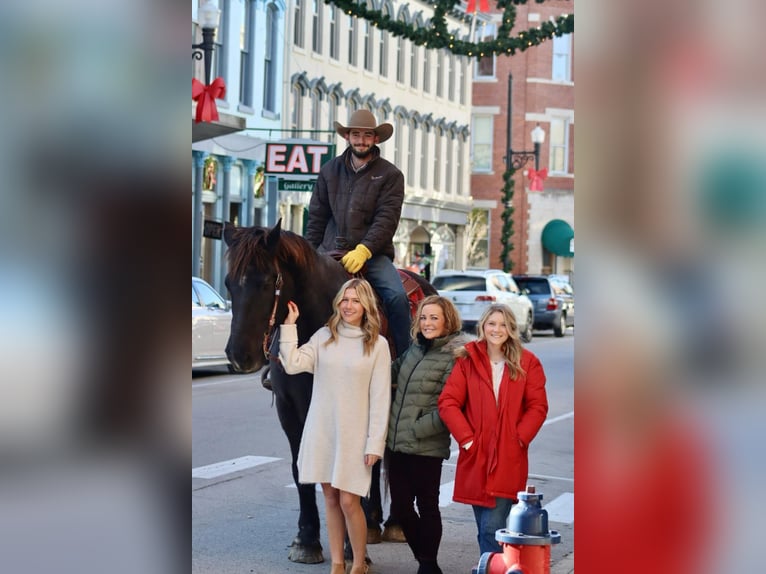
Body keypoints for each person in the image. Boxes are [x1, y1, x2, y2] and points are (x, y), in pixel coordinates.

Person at [279, 278, 392, 574]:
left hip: (355, 435)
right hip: (323, 430)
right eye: (345, 299)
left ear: (366, 306)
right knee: (329, 497)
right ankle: (338, 564)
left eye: (355, 300)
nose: (348, 305)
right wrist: (290, 325)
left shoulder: (377, 345)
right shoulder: (323, 336)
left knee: (349, 500)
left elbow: (381, 399)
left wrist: (374, 444)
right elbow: (291, 363)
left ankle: (358, 562)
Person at [438, 304, 549, 556]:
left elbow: (538, 406)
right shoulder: (468, 360)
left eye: (502, 325)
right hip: (476, 456)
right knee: (484, 527)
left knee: (492, 528)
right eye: (491, 323)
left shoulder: (528, 362)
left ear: (511, 329)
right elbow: (448, 402)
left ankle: (492, 566)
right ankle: (493, 565)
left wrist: (518, 439)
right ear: (482, 326)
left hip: (508, 457)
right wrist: (467, 439)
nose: (496, 329)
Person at [305, 109, 411, 359]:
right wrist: (308, 254)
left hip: (372, 255)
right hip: (328, 253)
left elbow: (386, 220)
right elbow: (316, 217)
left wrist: (364, 249)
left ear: (375, 139)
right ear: (347, 137)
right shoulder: (329, 170)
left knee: (397, 297)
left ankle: (404, 361)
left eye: (367, 135)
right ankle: (279, 358)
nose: (361, 140)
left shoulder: (390, 175)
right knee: (296, 292)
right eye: (356, 134)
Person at [386, 295, 467, 574]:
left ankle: (428, 565)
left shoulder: (455, 356)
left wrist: (417, 428)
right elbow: (388, 374)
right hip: (395, 444)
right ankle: (425, 560)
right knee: (401, 508)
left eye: (434, 318)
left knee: (428, 506)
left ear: (447, 321)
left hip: (425, 446)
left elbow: (451, 405)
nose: (427, 323)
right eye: (423, 317)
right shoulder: (414, 350)